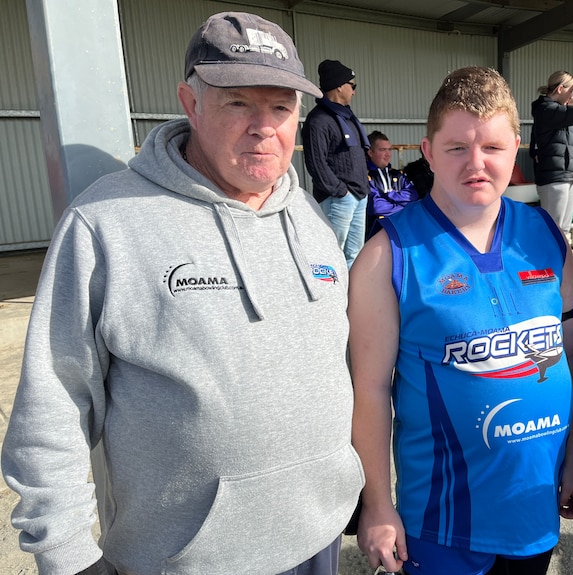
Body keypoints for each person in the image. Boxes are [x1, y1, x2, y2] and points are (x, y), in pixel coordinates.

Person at [1, 12, 364, 575]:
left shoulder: (309, 214)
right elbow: (55, 398)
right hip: (189, 559)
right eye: (239, 102)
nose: (263, 126)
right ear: (190, 104)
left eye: (281, 108)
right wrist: (65, 553)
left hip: (318, 537)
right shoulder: (107, 222)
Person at [349, 66, 573, 575]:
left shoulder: (544, 232)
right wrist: (377, 503)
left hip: (533, 512)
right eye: (457, 148)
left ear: (516, 149)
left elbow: (569, 357)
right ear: (428, 151)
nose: (476, 164)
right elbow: (368, 392)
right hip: (441, 526)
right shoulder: (387, 256)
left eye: (493, 148)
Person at [302, 59, 370, 266]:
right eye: (352, 85)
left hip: (358, 196)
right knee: (332, 253)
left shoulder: (347, 117)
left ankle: (351, 297)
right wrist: (341, 192)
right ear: (340, 86)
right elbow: (316, 163)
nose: (354, 91)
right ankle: (331, 296)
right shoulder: (319, 120)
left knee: (355, 255)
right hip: (340, 199)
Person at [530, 69, 573, 236]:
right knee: (553, 230)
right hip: (554, 178)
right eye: (570, 91)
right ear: (560, 89)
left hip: (569, 175)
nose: (571, 97)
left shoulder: (557, 112)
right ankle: (549, 262)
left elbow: (535, 137)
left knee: (564, 229)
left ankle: (564, 262)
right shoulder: (546, 109)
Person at [365, 130, 419, 238]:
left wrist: (390, 195)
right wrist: (404, 207)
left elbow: (413, 196)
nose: (388, 154)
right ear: (370, 152)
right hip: (375, 234)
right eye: (382, 150)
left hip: (402, 231)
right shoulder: (365, 176)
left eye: (389, 149)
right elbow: (376, 207)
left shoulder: (398, 174)